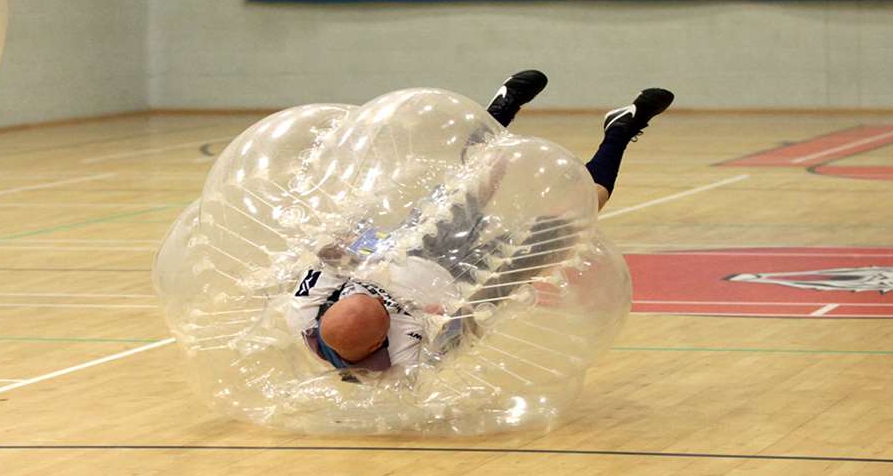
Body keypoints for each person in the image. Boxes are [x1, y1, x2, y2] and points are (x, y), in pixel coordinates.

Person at [284, 71, 673, 373]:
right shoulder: (405, 364)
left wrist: (349, 244)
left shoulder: (305, 313)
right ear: (377, 344)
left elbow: (331, 254)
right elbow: (471, 322)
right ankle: (620, 131)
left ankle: (500, 110)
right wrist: (454, 316)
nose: (374, 296)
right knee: (582, 207)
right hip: (469, 281)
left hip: (413, 250)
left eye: (362, 294)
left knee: (476, 179)